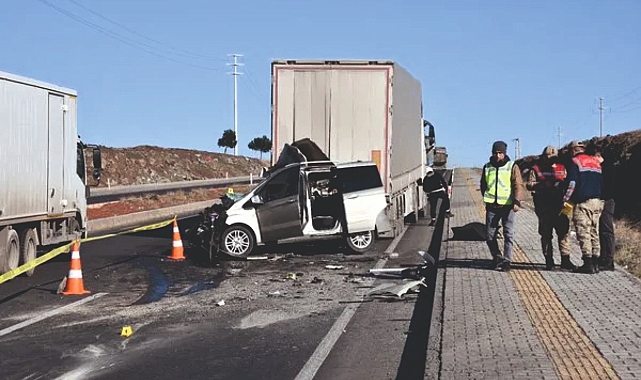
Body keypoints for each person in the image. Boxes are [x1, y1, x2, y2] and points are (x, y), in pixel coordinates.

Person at [525, 146, 575, 271]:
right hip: (544, 206)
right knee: (546, 235)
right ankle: (549, 260)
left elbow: (569, 182)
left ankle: (565, 260)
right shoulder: (536, 169)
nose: (551, 160)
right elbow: (529, 185)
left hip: (560, 205)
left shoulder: (562, 167)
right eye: (549, 158)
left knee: (563, 233)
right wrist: (542, 184)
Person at [480, 140, 524, 272]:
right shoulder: (487, 167)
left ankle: (507, 260)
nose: (497, 155)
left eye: (500, 153)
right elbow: (483, 185)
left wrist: (517, 201)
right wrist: (486, 198)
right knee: (489, 235)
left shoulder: (512, 166)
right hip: (492, 207)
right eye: (495, 153)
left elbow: (518, 185)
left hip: (508, 206)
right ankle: (496, 257)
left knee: (508, 234)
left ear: (504, 153)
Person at [562, 140, 604, 274]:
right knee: (594, 231)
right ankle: (596, 263)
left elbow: (572, 183)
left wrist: (566, 198)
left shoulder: (575, 162)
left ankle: (587, 263)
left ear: (573, 150)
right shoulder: (595, 162)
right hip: (597, 201)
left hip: (583, 202)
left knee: (583, 231)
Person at [594, 150, 616, 271]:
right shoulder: (607, 167)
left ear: (598, 156)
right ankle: (604, 257)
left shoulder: (607, 168)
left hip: (607, 200)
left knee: (606, 230)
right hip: (605, 199)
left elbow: (609, 186)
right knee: (602, 229)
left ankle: (608, 260)